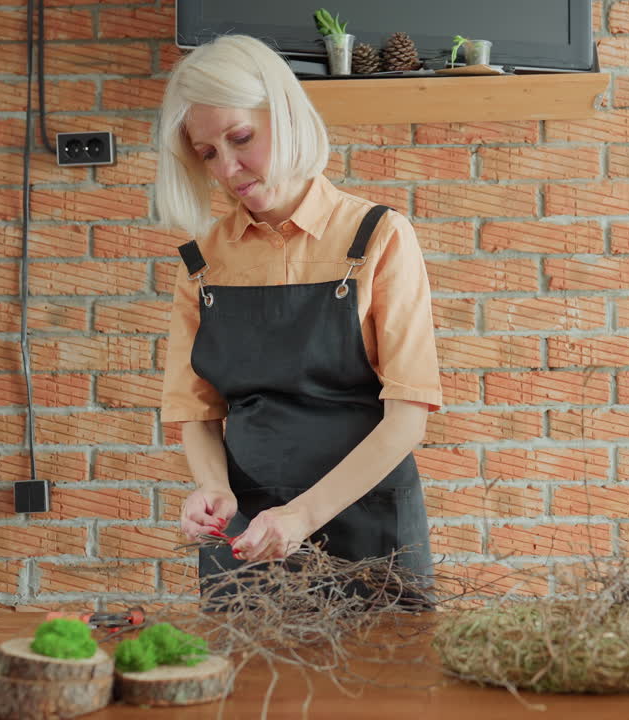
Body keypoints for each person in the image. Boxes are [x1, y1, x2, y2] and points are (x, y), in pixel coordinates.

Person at [156, 35, 442, 596]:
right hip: (247, 533)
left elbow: (408, 416)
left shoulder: (378, 237)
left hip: (371, 526)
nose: (229, 168)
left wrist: (302, 516)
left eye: (240, 138)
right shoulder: (202, 262)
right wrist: (214, 489)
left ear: (284, 115)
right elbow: (197, 410)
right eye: (208, 153)